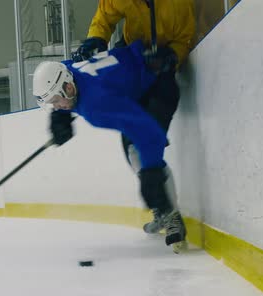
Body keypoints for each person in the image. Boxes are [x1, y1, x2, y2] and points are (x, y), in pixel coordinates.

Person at [32, 40, 186, 253]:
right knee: (133, 154)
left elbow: (148, 132)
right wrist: (60, 116)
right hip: (140, 77)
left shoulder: (96, 106)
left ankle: (170, 216)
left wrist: (152, 173)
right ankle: (163, 209)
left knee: (142, 158)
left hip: (158, 86)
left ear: (68, 88)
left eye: (56, 101)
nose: (56, 106)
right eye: (52, 104)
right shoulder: (68, 73)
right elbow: (63, 68)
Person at [72, 0, 195, 234]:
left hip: (161, 74)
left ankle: (170, 215)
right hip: (131, 62)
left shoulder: (179, 4)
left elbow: (184, 37)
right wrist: (96, 39)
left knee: (146, 144)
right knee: (132, 149)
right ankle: (163, 210)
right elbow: (104, 17)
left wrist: (171, 58)